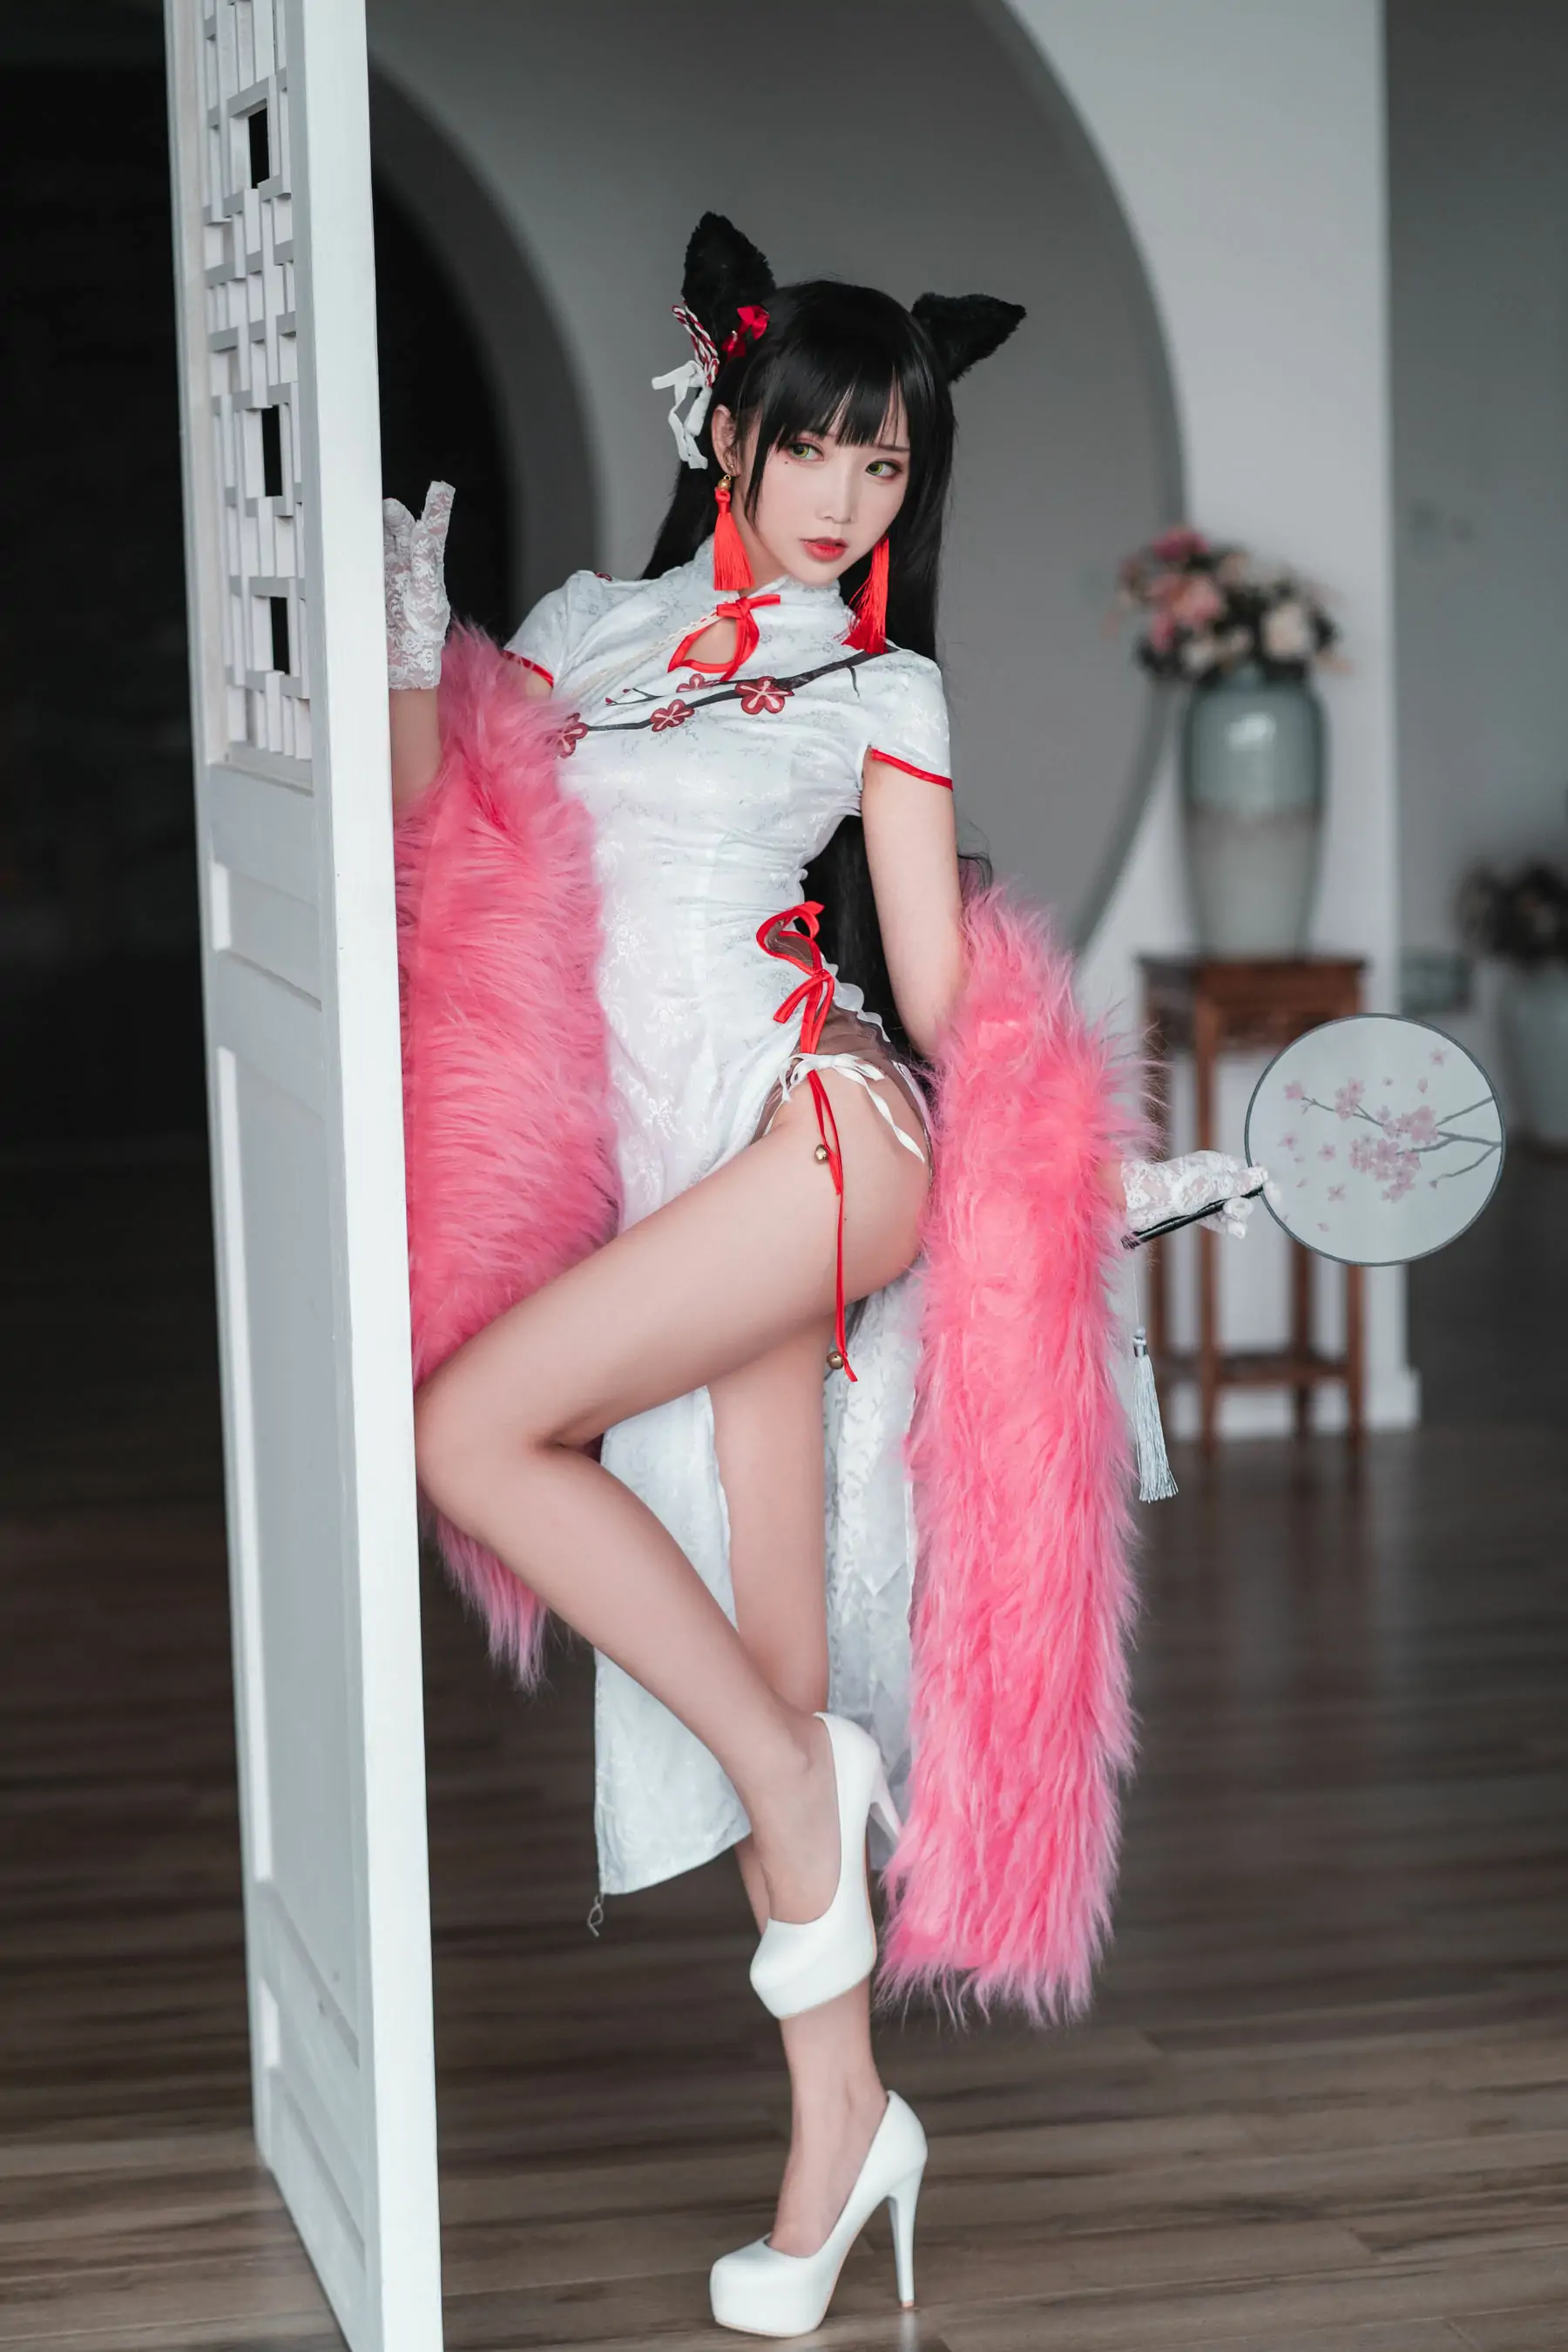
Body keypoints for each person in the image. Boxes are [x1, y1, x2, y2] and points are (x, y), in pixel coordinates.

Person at [384, 213, 1262, 2338]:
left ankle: (801, 1789)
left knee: (473, 1434)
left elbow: (945, 993)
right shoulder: (588, 630)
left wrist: (1083, 1167)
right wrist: (414, 650)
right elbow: (439, 838)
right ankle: (843, 2134)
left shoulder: (884, 685)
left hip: (821, 1140)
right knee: (767, 1670)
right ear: (728, 431)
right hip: (671, 1182)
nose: (852, 496)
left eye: (890, 464)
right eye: (819, 449)